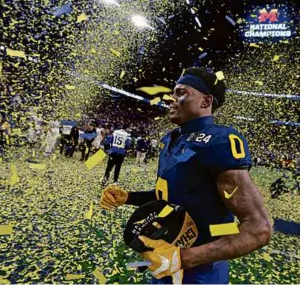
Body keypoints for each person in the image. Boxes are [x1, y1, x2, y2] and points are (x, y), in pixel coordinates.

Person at [99, 67, 271, 284]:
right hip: (164, 260)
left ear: (205, 102)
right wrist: (129, 198)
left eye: (181, 93)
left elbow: (258, 229)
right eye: (173, 93)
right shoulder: (170, 139)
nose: (172, 99)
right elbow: (173, 198)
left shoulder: (219, 140)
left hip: (200, 272)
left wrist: (184, 258)